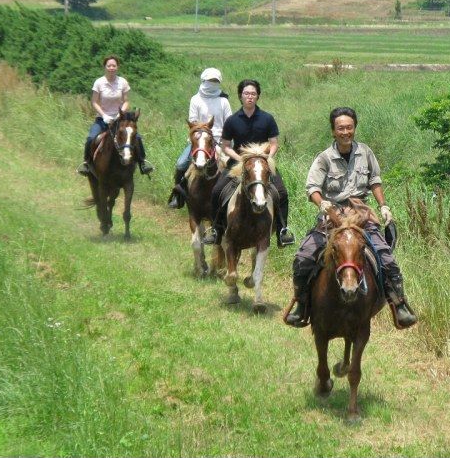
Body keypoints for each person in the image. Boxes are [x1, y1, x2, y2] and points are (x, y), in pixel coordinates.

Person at [285, 106, 417, 329]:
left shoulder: (365, 152)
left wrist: (383, 206)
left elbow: (375, 180)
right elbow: (312, 188)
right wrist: (322, 202)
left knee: (387, 260)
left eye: (349, 127)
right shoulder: (324, 158)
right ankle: (301, 304)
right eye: (340, 128)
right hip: (332, 216)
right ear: (333, 131)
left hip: (361, 215)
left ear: (354, 128)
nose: (345, 132)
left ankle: (399, 305)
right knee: (304, 257)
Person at [202, 79, 296, 248]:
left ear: (257, 96)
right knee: (216, 191)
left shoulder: (267, 118)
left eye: (253, 93)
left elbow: (274, 143)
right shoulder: (232, 120)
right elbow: (225, 146)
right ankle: (216, 230)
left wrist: (267, 157)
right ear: (240, 96)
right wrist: (241, 159)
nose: (250, 97)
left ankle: (282, 231)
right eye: (246, 93)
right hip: (237, 162)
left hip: (263, 163)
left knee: (282, 192)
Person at [76, 55, 153, 176]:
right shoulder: (99, 83)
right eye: (109, 66)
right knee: (91, 138)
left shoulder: (122, 82)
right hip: (102, 119)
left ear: (117, 67)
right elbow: (94, 102)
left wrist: (120, 114)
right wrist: (104, 115)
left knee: (136, 137)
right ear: (105, 67)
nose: (111, 68)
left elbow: (126, 101)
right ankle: (86, 163)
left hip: (119, 119)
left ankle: (142, 163)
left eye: (114, 66)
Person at [167, 67, 233, 209]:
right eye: (210, 80)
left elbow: (229, 122)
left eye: (215, 81)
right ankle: (178, 195)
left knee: (233, 167)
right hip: (199, 140)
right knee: (181, 164)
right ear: (203, 81)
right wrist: (203, 133)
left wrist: (223, 139)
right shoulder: (195, 99)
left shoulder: (224, 101)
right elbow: (193, 121)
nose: (212, 83)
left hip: (221, 141)